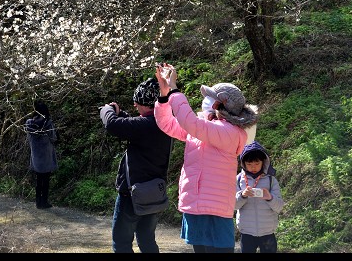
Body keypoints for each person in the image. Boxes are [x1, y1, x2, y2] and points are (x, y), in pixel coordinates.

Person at [154, 62, 259, 253]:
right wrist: (164, 95)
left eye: (210, 98)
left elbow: (190, 123)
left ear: (221, 104)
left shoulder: (230, 132)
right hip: (196, 205)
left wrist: (174, 91)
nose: (205, 101)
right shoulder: (203, 127)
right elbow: (167, 124)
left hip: (215, 209)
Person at [100, 77, 173, 253]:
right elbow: (137, 125)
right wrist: (121, 113)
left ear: (147, 104)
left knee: (122, 243)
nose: (135, 105)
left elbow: (112, 124)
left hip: (132, 194)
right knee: (147, 240)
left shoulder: (145, 126)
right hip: (154, 193)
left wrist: (107, 110)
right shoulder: (165, 123)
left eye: (138, 102)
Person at [235, 141, 284, 253]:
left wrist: (269, 197)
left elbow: (280, 207)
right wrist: (242, 195)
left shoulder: (271, 180)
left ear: (263, 162)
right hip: (246, 232)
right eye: (249, 164)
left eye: (257, 164)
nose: (253, 167)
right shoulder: (238, 180)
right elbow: (233, 206)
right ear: (243, 163)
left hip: (268, 232)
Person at [26, 100, 57, 209]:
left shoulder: (29, 123)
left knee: (39, 180)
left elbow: (28, 139)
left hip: (36, 156)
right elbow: (54, 137)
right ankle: (45, 201)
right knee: (46, 180)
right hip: (46, 156)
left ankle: (38, 202)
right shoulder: (48, 123)